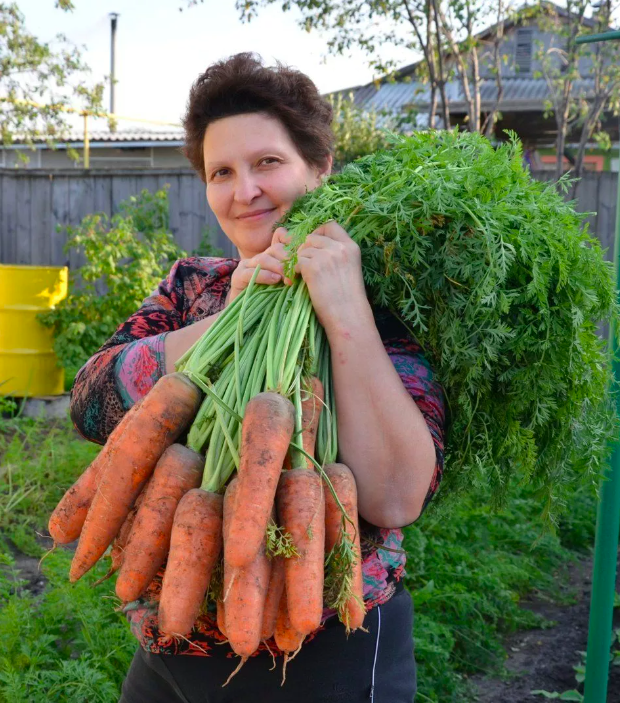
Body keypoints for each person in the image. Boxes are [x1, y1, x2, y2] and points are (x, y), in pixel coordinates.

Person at [70, 52, 445, 703]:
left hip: (320, 645)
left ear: (319, 166)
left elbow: (394, 497)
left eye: (267, 162)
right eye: (221, 171)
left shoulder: (387, 304)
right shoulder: (194, 286)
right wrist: (222, 321)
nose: (244, 190)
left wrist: (345, 308)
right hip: (169, 639)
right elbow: (89, 405)